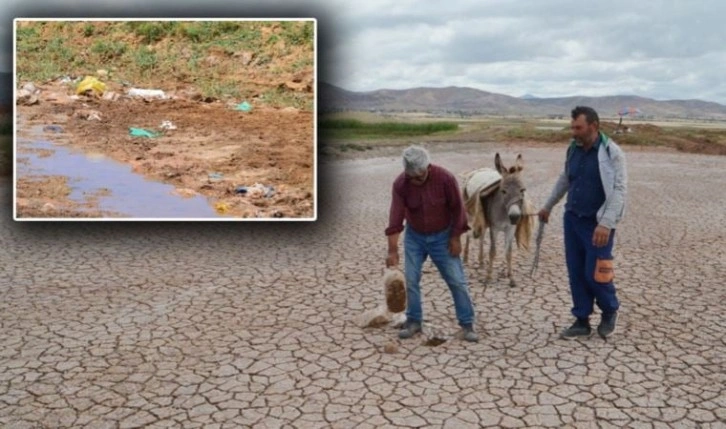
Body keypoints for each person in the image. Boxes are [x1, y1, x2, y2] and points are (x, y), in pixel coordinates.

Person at [538, 106, 628, 339]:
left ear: (593, 126)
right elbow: (565, 180)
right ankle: (581, 319)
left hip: (597, 224)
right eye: (572, 127)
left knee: (596, 273)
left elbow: (619, 190)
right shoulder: (573, 149)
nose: (574, 132)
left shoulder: (611, 152)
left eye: (578, 127)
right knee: (576, 271)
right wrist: (548, 206)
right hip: (573, 220)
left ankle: (610, 310)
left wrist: (606, 223)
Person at [385, 145, 478, 342]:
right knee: (410, 280)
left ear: (428, 166)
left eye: (420, 177)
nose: (416, 181)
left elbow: (458, 210)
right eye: (412, 178)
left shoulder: (445, 179)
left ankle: (467, 324)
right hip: (415, 236)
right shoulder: (401, 184)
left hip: (443, 236)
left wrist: (455, 238)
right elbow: (395, 218)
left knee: (457, 281)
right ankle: (414, 321)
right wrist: (392, 251)